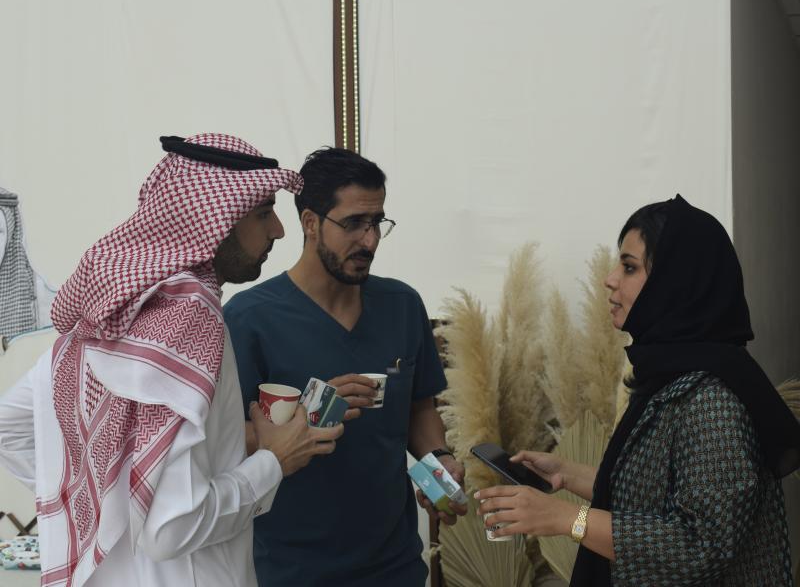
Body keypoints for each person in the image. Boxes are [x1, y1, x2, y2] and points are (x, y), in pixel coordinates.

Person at [0, 133, 343, 587]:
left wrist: (104, 505)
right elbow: (172, 529)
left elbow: (10, 427)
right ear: (215, 218)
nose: (278, 230)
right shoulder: (189, 317)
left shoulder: (115, 310)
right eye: (263, 213)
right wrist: (274, 461)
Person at [476, 194, 800, 586]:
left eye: (629, 267)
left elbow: (700, 546)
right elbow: (656, 497)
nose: (610, 278)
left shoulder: (712, 399)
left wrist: (565, 518)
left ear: (674, 283)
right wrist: (567, 474)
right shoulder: (670, 374)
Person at [224, 147, 466, 586]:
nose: (369, 241)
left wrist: (440, 467)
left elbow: (419, 409)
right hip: (289, 570)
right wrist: (311, 415)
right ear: (310, 222)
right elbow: (222, 440)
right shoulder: (248, 319)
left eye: (377, 223)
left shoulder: (403, 305)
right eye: (353, 223)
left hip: (396, 567)